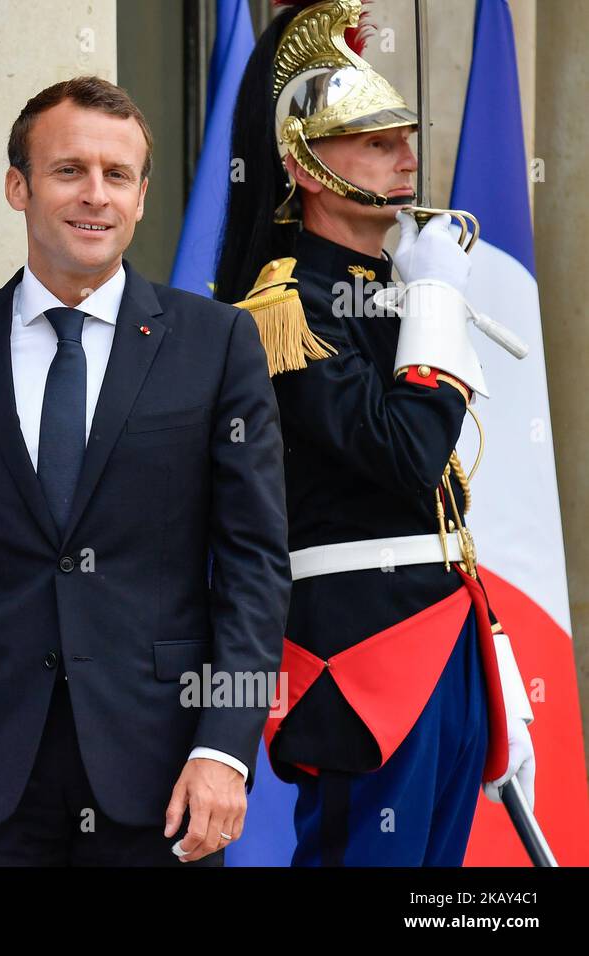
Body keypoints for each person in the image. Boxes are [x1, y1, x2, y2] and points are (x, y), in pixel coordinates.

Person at [0, 76, 291, 866]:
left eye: (118, 175)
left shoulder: (215, 345)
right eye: (69, 170)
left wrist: (223, 748)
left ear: (143, 196)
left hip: (163, 771)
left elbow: (254, 568)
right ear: (19, 185)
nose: (96, 196)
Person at [215, 0, 535, 866]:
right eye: (376, 141)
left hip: (444, 634)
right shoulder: (282, 310)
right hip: (356, 652)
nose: (408, 158)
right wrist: (434, 305)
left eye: (405, 136)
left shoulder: (389, 284)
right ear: (308, 165)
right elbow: (404, 454)